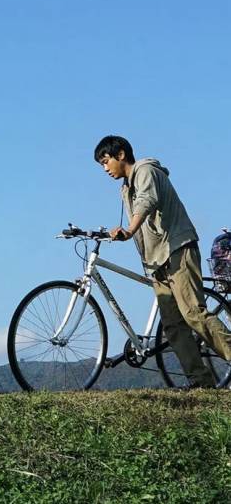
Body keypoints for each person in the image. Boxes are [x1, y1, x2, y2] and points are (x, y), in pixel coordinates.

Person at [95, 135, 231, 387]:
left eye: (106, 161)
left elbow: (148, 201)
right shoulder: (126, 187)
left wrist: (129, 229)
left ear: (121, 154)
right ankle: (201, 382)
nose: (105, 169)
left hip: (177, 248)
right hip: (156, 259)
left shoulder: (146, 171)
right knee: (172, 325)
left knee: (194, 314)